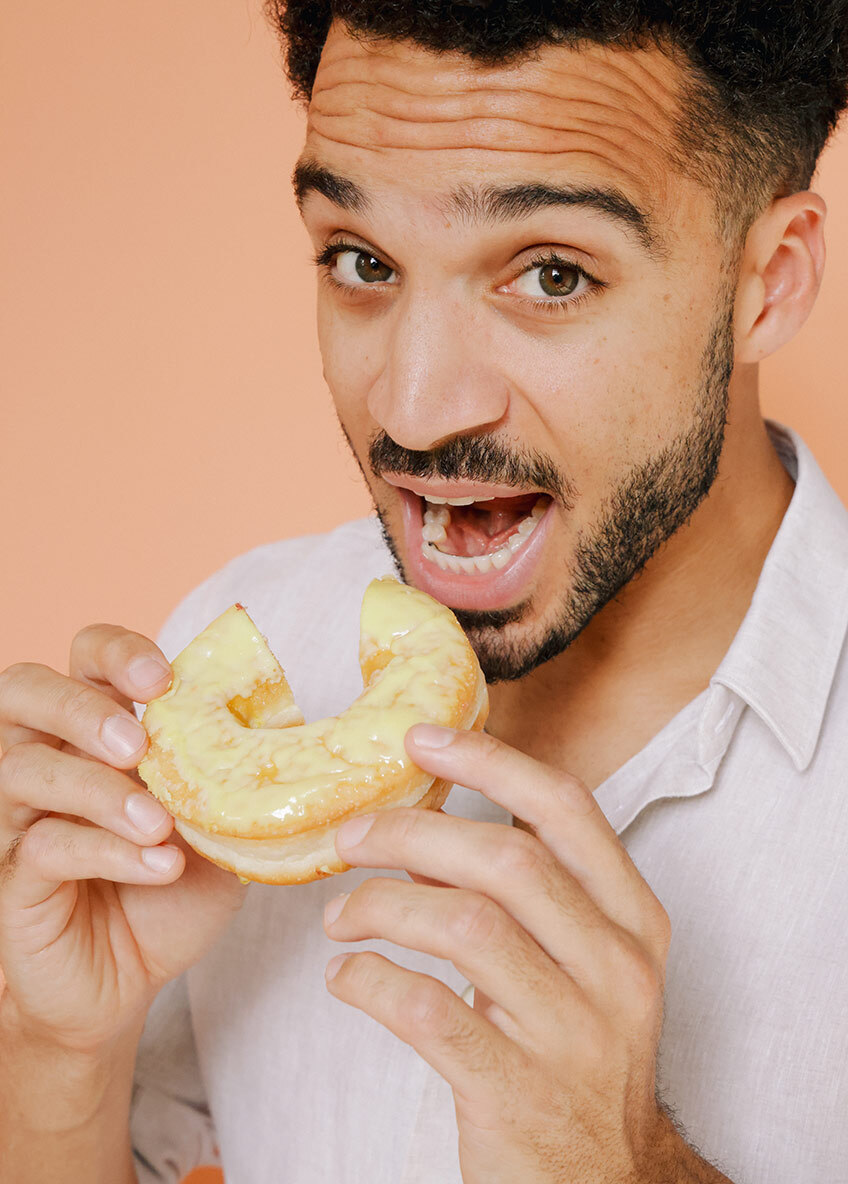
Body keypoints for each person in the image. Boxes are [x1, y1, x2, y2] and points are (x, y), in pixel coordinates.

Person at [2, 2, 848, 1180]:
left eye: (549, 273)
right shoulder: (253, 645)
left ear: (769, 281)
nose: (411, 406)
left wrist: (631, 1166)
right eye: (362, 261)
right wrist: (54, 1050)